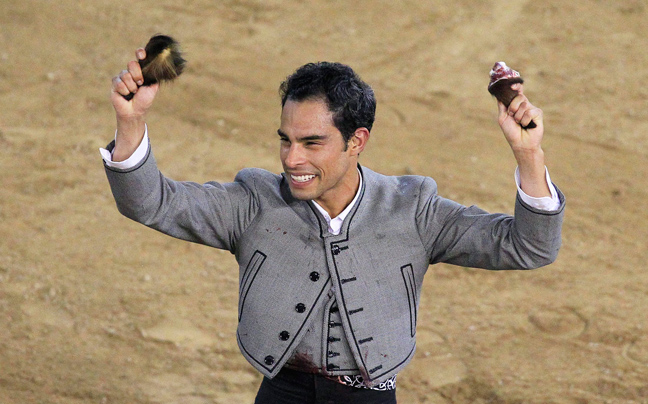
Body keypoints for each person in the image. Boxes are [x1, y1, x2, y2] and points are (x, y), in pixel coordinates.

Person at [102, 47, 565, 404]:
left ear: (357, 141)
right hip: (281, 390)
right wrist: (131, 121)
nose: (291, 159)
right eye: (285, 140)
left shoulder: (413, 210)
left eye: (312, 143)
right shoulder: (254, 203)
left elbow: (529, 247)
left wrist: (529, 154)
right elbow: (152, 203)